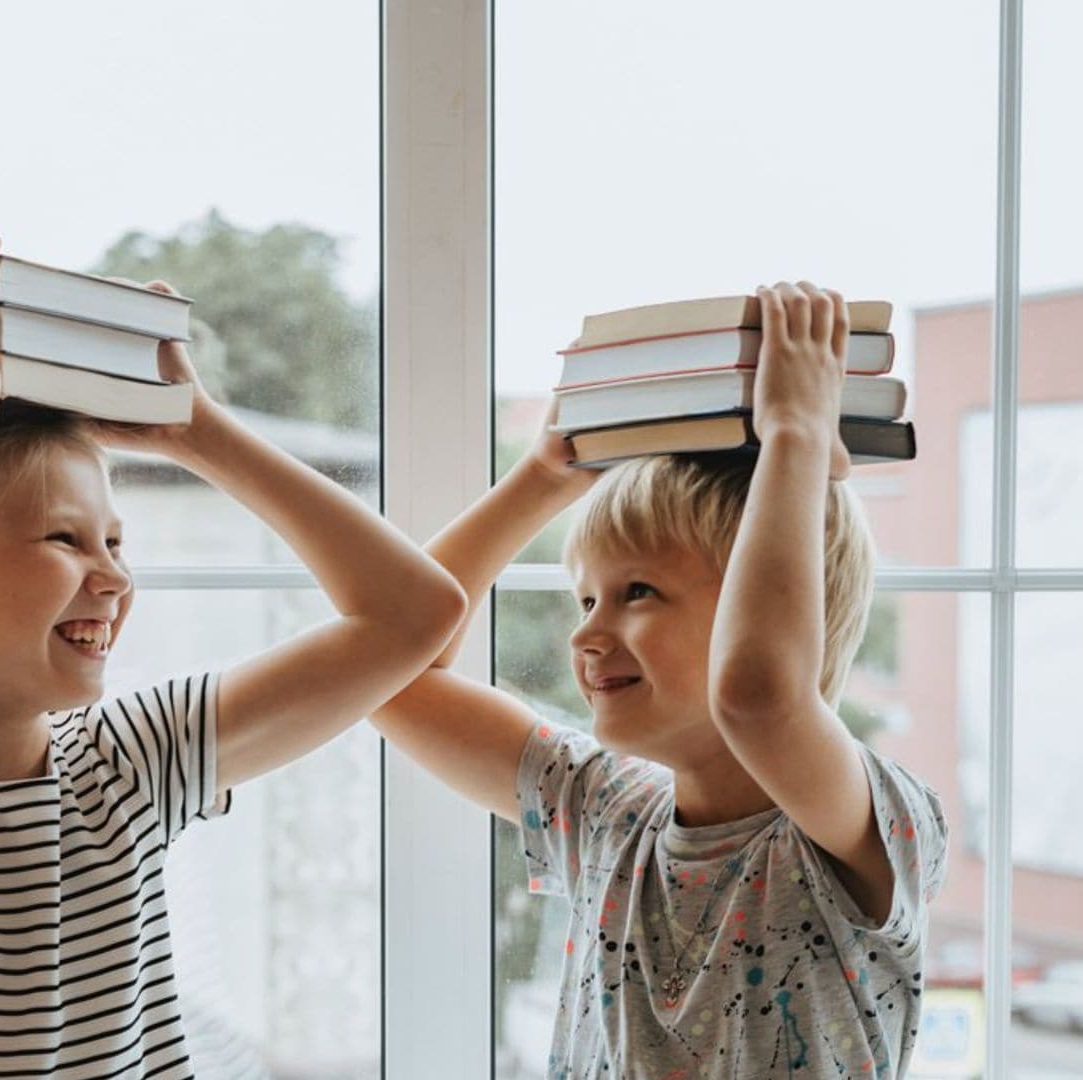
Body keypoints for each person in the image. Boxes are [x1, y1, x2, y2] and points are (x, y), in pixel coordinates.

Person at [0, 223, 464, 1077]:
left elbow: (415, 615)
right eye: (66, 539)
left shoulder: (128, 761)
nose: (115, 579)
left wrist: (195, 431)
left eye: (117, 543)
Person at [373, 282, 947, 1077]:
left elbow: (759, 698)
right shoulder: (604, 809)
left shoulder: (861, 826)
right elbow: (382, 671)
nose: (585, 631)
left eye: (638, 592)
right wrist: (539, 480)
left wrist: (798, 436)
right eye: (585, 598)